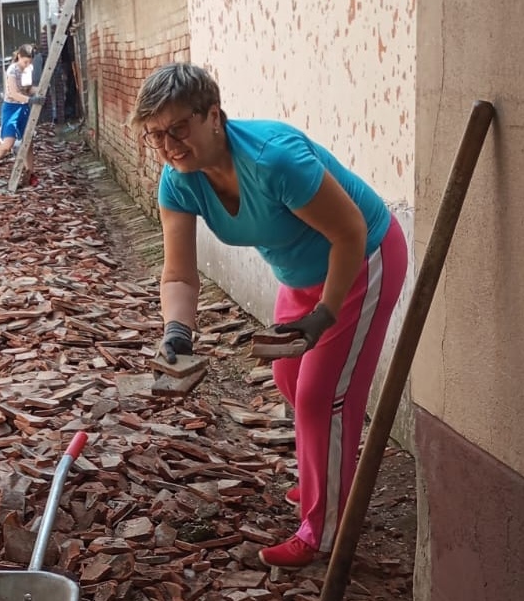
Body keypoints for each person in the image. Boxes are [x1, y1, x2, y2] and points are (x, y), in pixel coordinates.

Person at [132, 63, 407, 569]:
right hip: (301, 277)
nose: (168, 146)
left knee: (322, 398)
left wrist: (325, 315)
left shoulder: (273, 159)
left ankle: (324, 531)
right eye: (156, 136)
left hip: (363, 259)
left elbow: (347, 232)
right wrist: (177, 332)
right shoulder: (179, 181)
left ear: (213, 115)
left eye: (178, 129)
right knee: (289, 376)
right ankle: (321, 479)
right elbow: (179, 274)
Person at [0, 44, 43, 186]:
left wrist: (40, 91)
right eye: (25, 61)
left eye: (30, 62)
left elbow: (28, 88)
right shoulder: (12, 70)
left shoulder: (28, 69)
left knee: (28, 142)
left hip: (24, 107)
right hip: (11, 107)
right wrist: (30, 100)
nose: (27, 65)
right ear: (19, 56)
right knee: (8, 143)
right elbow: (13, 93)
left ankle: (30, 173)